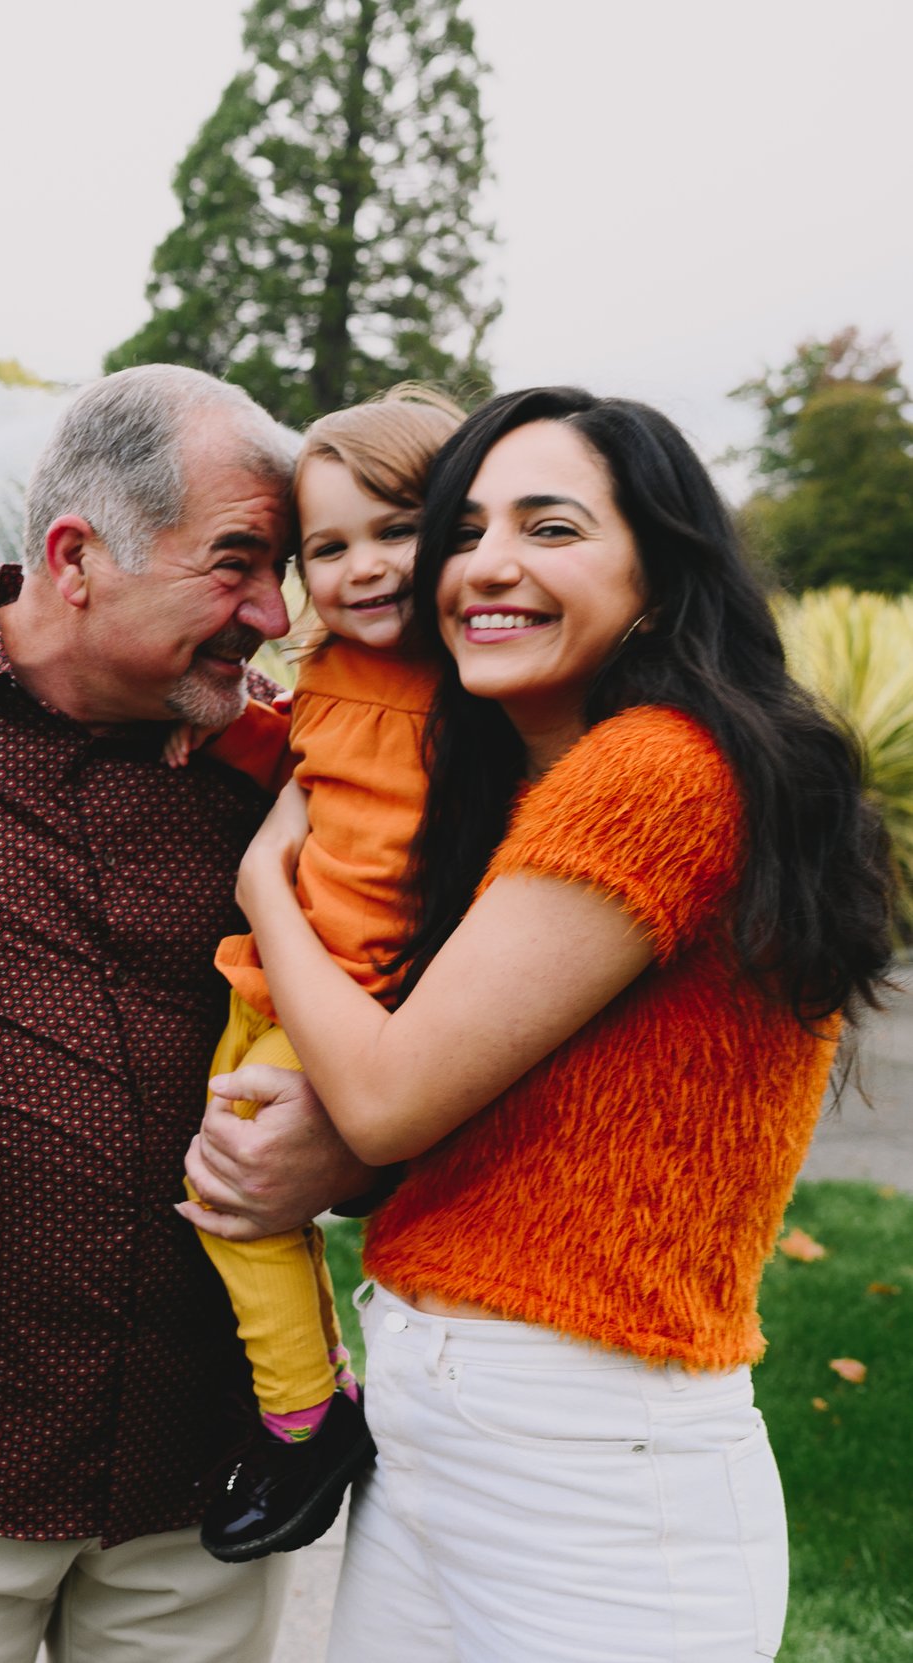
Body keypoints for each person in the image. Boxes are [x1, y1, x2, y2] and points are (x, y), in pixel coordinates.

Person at [219, 387, 894, 1661]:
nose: (486, 565)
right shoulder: (530, 781)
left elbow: (383, 1095)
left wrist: (266, 889)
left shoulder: (657, 773)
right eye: (463, 527)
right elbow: (487, 1136)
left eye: (551, 527)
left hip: (593, 1483)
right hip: (441, 1450)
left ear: (657, 571)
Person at [0, 363, 378, 1663]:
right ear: (76, 554)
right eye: (236, 563)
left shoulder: (293, 775)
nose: (272, 611)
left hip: (199, 1473)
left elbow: (419, 1025)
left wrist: (348, 1147)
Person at [183, 387, 465, 1563]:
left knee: (237, 1190)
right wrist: (211, 718)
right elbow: (296, 742)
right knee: (223, 1192)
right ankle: (312, 1403)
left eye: (395, 529)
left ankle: (305, 1419)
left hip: (358, 991)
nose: (362, 567)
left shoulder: (470, 683)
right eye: (328, 547)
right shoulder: (340, 667)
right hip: (273, 977)